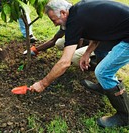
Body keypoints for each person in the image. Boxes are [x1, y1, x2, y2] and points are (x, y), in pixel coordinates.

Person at [29, 0, 129, 128]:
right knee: (101, 51)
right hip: (120, 31)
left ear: (63, 13)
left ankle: (125, 115)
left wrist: (43, 84)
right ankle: (103, 87)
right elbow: (99, 31)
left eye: (54, 20)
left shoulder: (74, 21)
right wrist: (87, 53)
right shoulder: (80, 11)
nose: (54, 25)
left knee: (103, 72)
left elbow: (65, 62)